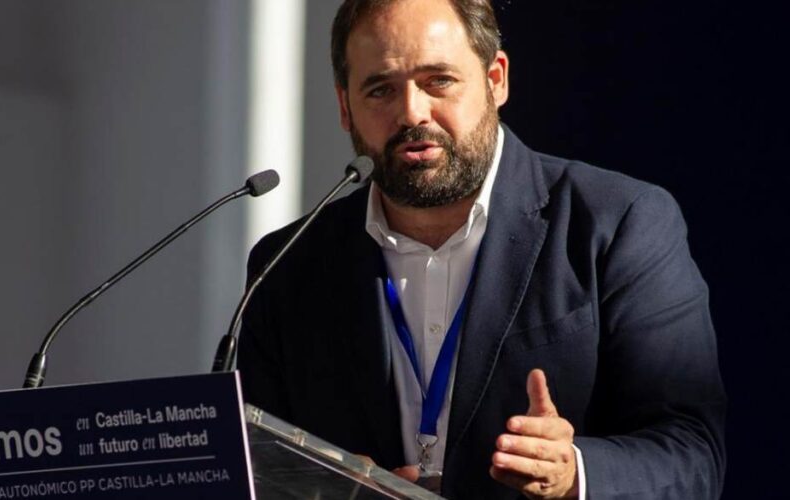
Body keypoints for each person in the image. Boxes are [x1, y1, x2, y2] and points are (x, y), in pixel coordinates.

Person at [238, 0, 726, 498]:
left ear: (496, 79)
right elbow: (249, 463)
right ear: (345, 107)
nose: (411, 112)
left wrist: (572, 471)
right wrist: (317, 485)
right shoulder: (286, 265)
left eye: (439, 81)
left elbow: (690, 456)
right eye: (381, 89)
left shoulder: (616, 223)